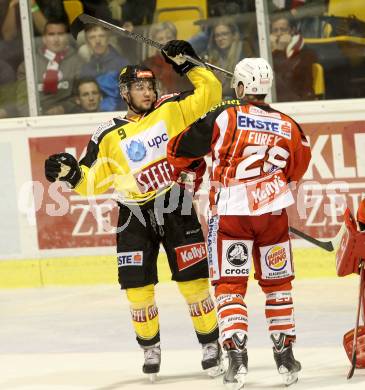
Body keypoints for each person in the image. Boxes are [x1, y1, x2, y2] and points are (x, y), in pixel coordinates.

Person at [44, 40, 224, 379]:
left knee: (194, 284)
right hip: (133, 215)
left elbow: (212, 90)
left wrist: (188, 63)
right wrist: (70, 175)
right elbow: (92, 182)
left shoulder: (173, 107)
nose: (146, 91)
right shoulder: (107, 133)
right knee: (138, 290)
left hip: (177, 205)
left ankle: (211, 344)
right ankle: (150, 347)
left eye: (149, 85)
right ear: (124, 93)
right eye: (138, 86)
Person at [167, 57, 312, 388]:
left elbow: (178, 150)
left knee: (230, 286)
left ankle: (236, 357)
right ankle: (285, 355)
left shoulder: (225, 115)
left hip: (231, 214)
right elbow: (298, 167)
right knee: (278, 285)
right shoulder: (289, 124)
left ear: (242, 87)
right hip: (273, 215)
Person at [16, 19, 83, 116]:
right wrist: (36, 116)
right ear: (44, 38)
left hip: (68, 116)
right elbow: (22, 100)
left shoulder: (78, 62)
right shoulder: (28, 64)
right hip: (36, 118)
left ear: (67, 37)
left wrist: (64, 108)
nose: (56, 39)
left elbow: (81, 95)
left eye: (60, 34)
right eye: (51, 34)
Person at [80, 24, 128, 111]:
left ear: (108, 38)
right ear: (87, 42)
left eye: (101, 36)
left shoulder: (122, 64)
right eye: (92, 37)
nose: (97, 41)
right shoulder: (85, 69)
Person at [270, 14, 317, 102]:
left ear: (292, 31)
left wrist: (279, 51)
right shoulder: (268, 51)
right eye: (275, 30)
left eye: (283, 30)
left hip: (298, 102)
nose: (279, 34)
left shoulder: (305, 52)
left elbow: (286, 79)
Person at [204, 21, 253, 98]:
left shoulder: (244, 52)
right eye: (217, 36)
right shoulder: (212, 57)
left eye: (224, 34)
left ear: (234, 35)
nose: (220, 38)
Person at [143, 21, 192, 95]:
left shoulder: (186, 63)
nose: (165, 42)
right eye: (160, 39)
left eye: (169, 38)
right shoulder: (146, 65)